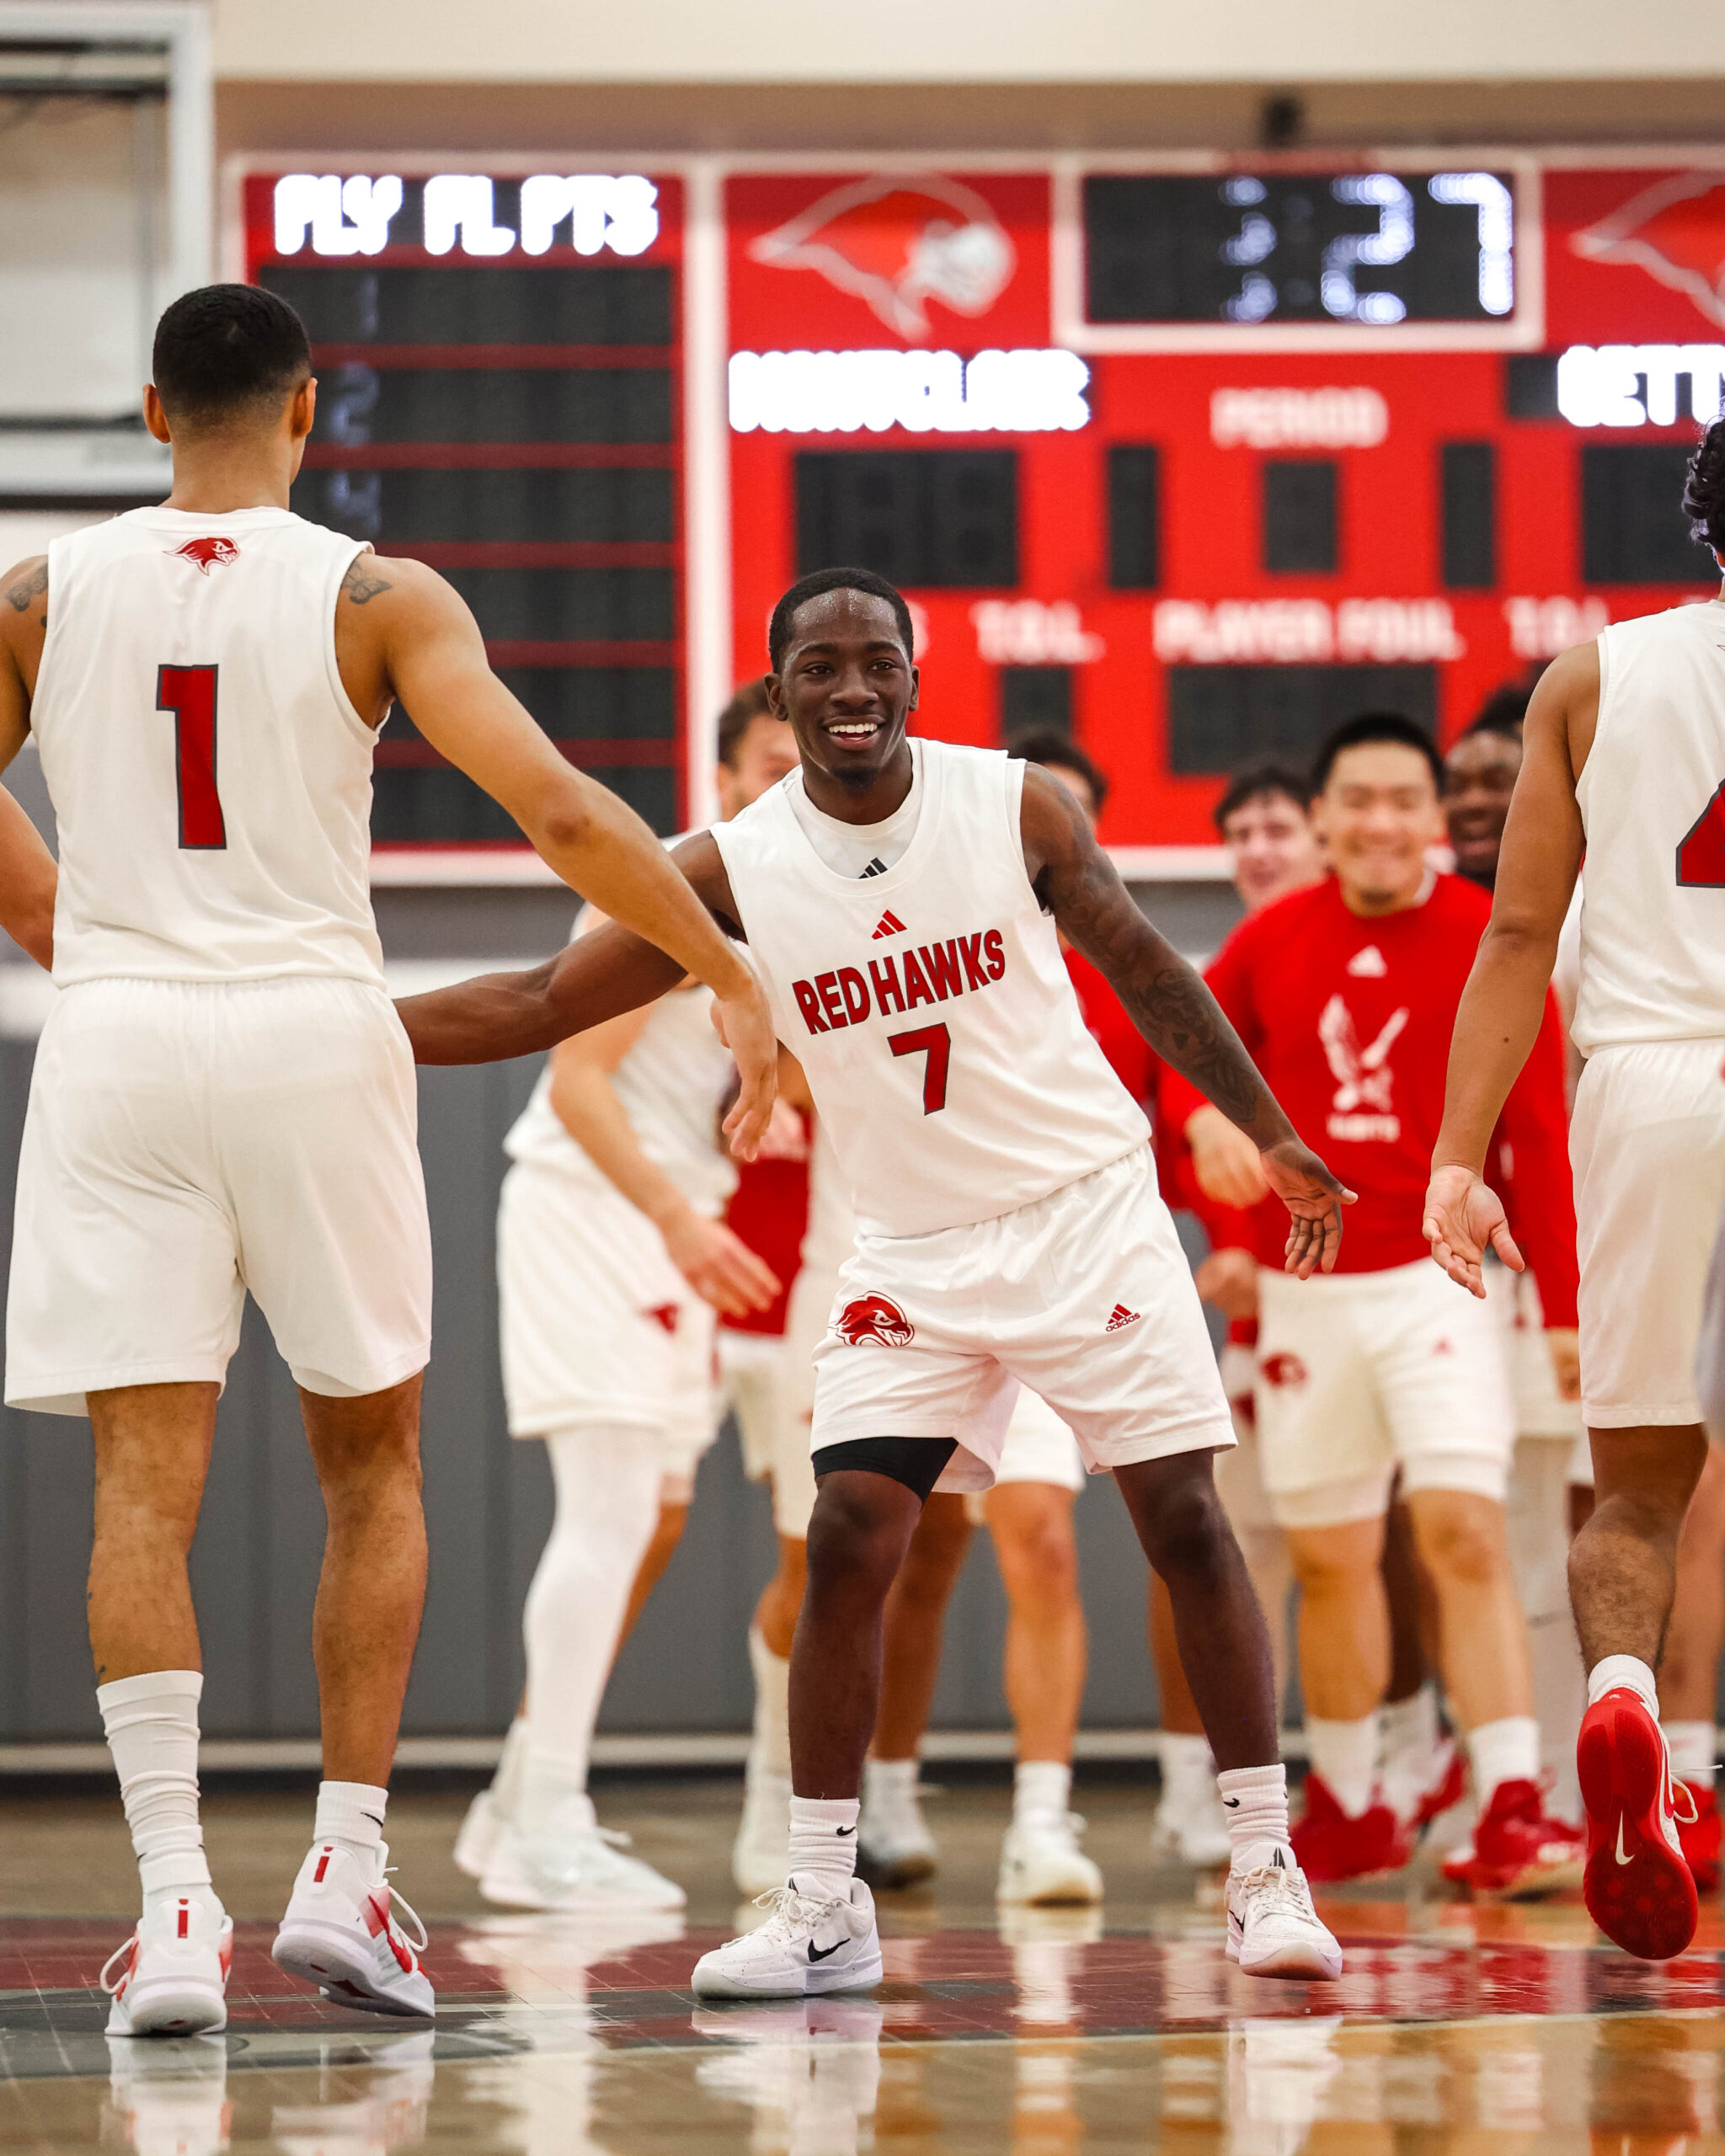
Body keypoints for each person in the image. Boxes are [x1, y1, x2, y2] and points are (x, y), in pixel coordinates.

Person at [398, 563, 1354, 1993]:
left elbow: (1152, 969)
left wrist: (1274, 1132)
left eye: (876, 664)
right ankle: (822, 1896)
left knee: (1185, 1522)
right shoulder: (725, 864)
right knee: (850, 1531)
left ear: (916, 680)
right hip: (908, 1247)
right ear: (780, 691)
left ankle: (1265, 1870)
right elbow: (541, 1001)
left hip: (1082, 1210)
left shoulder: (1017, 805)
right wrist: (342, 1026)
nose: (851, 689)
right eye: (820, 668)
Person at [0, 284, 776, 2038]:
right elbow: (567, 808)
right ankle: (347, 1874)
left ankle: (176, 1910)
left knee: (144, 1481)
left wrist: (65, 924)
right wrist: (728, 970)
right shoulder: (377, 592)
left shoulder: (40, 593)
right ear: (306, 405)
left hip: (117, 1042)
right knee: (375, 1458)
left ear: (145, 412)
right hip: (311, 1028)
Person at [1163, 712, 1583, 1895]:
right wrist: (1211, 1155)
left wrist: (1562, 1307)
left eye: (1407, 799)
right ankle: (1347, 1807)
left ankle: (1511, 1804)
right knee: (1331, 1552)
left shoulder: (1489, 936)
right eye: (1361, 800)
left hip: (1443, 1275)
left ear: (1437, 817)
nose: (1384, 822)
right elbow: (1176, 1081)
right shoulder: (1267, 939)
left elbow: (1537, 1134)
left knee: (1463, 1529)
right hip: (1309, 1288)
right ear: (1329, 817)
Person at [1427, 418, 1725, 1959]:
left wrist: (1461, 1159)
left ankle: (1621, 1704)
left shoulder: (1591, 679)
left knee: (1642, 1485)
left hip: (1649, 1086)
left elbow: (1514, 936)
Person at [454, 683, 794, 1913]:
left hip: (659, 1225)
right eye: (766, 761)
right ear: (722, 781)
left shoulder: (798, 911)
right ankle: (548, 1814)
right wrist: (677, 1221)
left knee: (646, 1511)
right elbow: (579, 1081)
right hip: (600, 1214)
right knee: (605, 1510)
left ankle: (509, 1808)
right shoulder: (660, 885)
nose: (788, 777)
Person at [852, 731, 1140, 1908]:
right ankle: (886, 1792)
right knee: (911, 1552)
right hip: (924, 1269)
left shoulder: (1119, 965)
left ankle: (1041, 1818)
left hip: (1061, 1275)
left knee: (1045, 1540)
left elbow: (1157, 1106)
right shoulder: (918, 936)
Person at [1151, 760, 1327, 1865]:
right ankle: (1194, 1789)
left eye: (1279, 826)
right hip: (1267, 1320)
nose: (1260, 847)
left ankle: (1400, 1768)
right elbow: (1181, 1124)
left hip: (1384, 1294)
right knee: (1224, 1539)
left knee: (1395, 1537)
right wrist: (1228, 1248)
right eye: (1243, 830)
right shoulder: (1205, 983)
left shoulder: (1381, 958)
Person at [1442, 710, 1589, 1832]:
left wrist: (1571, 1296)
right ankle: (1509, 1775)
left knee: (1574, 1520)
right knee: (1489, 1527)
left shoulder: (1583, 910)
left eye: (1507, 776)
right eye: (1467, 780)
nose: (1482, 797)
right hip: (1471, 1265)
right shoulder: (1457, 924)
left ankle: (1585, 1768)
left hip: (1584, 1252)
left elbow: (1545, 1127)